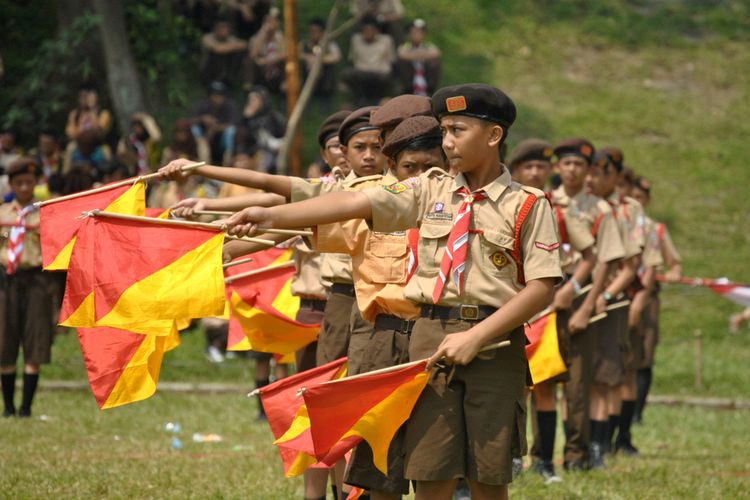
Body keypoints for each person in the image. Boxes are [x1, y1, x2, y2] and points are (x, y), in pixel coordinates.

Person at [220, 83, 562, 500]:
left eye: (458, 130)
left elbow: (543, 286)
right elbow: (352, 204)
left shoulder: (526, 203)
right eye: (445, 130)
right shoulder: (429, 189)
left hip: (495, 343)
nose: (448, 141)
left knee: (489, 477)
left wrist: (476, 336)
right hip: (430, 341)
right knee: (429, 470)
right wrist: (269, 213)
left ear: (493, 136)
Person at [510, 139, 597, 483]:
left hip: (546, 310)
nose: (534, 172)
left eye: (540, 167)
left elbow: (590, 254)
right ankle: (513, 455)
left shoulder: (557, 210)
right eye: (527, 167)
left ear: (550, 171)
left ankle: (545, 460)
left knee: (543, 384)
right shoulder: (504, 203)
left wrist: (571, 289)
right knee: (509, 386)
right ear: (516, 170)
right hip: (507, 306)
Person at [550, 138, 626, 472]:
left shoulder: (601, 209)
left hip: (582, 293)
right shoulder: (544, 202)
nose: (572, 169)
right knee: (542, 376)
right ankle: (539, 455)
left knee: (579, 382)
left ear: (588, 170)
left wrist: (588, 304)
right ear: (558, 167)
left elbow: (606, 262)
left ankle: (576, 454)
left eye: (580, 164)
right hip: (547, 292)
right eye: (566, 163)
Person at [585, 149, 645, 466]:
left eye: (599, 173)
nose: (592, 179)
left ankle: (602, 444)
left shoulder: (628, 210)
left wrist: (604, 296)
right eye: (590, 172)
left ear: (616, 176)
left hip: (610, 302)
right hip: (579, 297)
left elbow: (632, 264)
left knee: (606, 374)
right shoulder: (582, 204)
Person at [0, 158, 53, 418]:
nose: (24, 187)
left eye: (29, 182)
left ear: (36, 183)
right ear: (11, 184)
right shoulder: (2, 215)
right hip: (6, 281)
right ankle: (8, 407)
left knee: (36, 339)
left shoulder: (45, 213)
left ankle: (26, 408)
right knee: (4, 339)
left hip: (36, 280)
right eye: (19, 182)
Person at [630, 175, 682, 423]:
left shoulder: (655, 230)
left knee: (644, 355)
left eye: (641, 197)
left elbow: (675, 266)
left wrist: (666, 275)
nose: (636, 201)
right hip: (620, 294)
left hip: (647, 298)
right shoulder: (618, 222)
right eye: (633, 196)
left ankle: (637, 413)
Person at [342, 17, 396, 105]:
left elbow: (392, 59)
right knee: (348, 74)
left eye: (370, 30)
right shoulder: (356, 39)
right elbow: (352, 59)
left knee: (382, 79)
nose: (368, 32)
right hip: (361, 72)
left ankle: (376, 100)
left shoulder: (386, 40)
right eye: (365, 30)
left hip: (380, 74)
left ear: (376, 31)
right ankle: (360, 100)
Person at [235, 86, 286, 173]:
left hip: (273, 152)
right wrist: (245, 119)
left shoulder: (273, 117)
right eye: (250, 100)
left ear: (263, 101)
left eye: (254, 100)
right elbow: (240, 141)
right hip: (252, 154)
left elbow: (284, 136)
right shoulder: (246, 119)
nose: (251, 103)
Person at [190, 81, 239, 166]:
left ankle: (227, 164)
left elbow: (233, 124)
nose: (217, 98)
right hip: (204, 140)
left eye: (220, 96)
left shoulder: (229, 107)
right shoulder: (202, 106)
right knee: (195, 128)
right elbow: (190, 121)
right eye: (215, 95)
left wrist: (216, 127)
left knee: (230, 131)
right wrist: (203, 119)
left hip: (222, 141)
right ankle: (204, 162)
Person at [299, 18, 342, 113]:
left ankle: (324, 105)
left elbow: (336, 57)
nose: (312, 34)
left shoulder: (329, 43)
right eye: (310, 31)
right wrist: (308, 58)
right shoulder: (305, 44)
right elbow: (298, 54)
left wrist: (319, 60)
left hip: (324, 78)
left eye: (315, 31)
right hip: (307, 75)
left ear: (322, 32)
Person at [397, 19, 441, 96]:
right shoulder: (405, 46)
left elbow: (437, 53)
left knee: (434, 62)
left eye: (419, 32)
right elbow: (401, 54)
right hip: (411, 76)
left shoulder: (428, 46)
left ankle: (430, 88)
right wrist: (422, 55)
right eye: (413, 32)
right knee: (403, 63)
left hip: (425, 75)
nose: (416, 35)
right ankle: (408, 89)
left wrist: (413, 55)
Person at [246, 10, 285, 95]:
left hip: (276, 73)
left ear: (277, 23)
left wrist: (267, 60)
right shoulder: (256, 38)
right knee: (250, 60)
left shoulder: (281, 38)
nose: (268, 24)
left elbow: (286, 54)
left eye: (271, 21)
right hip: (262, 73)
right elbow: (252, 55)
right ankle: (249, 87)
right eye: (266, 21)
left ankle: (284, 88)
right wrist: (263, 33)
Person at [200, 18, 247, 85]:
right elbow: (218, 49)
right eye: (222, 27)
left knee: (237, 54)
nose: (225, 30)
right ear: (216, 28)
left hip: (226, 67)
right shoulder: (208, 37)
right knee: (217, 55)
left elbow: (244, 45)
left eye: (226, 27)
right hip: (209, 69)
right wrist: (232, 46)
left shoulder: (229, 38)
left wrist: (229, 46)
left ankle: (228, 80)